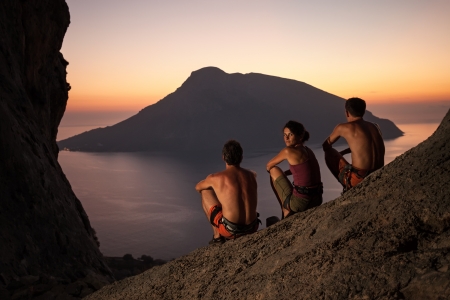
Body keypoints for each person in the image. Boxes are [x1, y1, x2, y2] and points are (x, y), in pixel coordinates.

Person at [195, 140, 260, 244]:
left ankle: (217, 237)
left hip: (231, 231)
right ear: (241, 158)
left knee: (205, 190)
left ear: (223, 157)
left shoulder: (215, 178)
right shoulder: (252, 175)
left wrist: (213, 184)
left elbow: (197, 187)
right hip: (252, 227)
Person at [322, 97, 385, 193]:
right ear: (363, 111)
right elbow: (365, 147)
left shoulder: (343, 127)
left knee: (329, 152)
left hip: (360, 178)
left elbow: (325, 146)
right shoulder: (375, 126)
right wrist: (345, 151)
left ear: (347, 112)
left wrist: (339, 154)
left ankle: (348, 188)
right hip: (379, 173)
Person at [267, 121, 323, 219]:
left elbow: (268, 166)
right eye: (285, 135)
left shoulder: (287, 151)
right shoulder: (308, 150)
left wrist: (281, 176)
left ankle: (285, 210)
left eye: (290, 134)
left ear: (300, 137)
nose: (286, 138)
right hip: (317, 199)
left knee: (273, 170)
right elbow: (305, 171)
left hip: (301, 203)